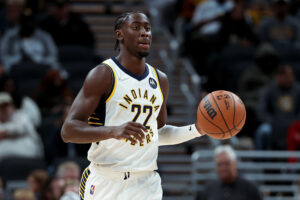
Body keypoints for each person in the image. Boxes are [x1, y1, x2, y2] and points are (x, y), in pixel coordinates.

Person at [61, 11, 205, 200]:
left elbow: (156, 134)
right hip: (106, 180)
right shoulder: (103, 75)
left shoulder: (160, 80)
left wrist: (198, 129)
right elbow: (68, 131)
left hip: (146, 183)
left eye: (147, 28)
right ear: (119, 34)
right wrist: (113, 131)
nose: (145, 33)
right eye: (136, 27)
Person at [255, 64, 300, 150]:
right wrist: (274, 122)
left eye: (291, 75)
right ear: (278, 76)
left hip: (294, 124)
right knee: (263, 131)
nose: (291, 78)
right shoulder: (268, 90)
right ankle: (260, 161)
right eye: (287, 76)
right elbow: (261, 112)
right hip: (273, 124)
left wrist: (295, 122)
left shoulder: (298, 90)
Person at [196, 145, 262, 200]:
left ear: (235, 163)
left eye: (226, 163)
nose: (223, 168)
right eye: (220, 164)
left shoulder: (250, 189)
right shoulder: (208, 190)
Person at [0, 92, 43, 160]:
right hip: (4, 163)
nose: (5, 110)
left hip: (28, 158)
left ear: (12, 105)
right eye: (1, 107)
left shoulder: (21, 115)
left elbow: (23, 128)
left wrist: (5, 133)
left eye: (7, 106)